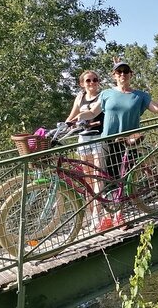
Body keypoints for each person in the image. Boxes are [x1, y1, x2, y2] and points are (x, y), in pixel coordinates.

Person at [76, 60, 158, 231]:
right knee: (105, 179)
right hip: (107, 141)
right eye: (118, 72)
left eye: (125, 71)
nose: (122, 74)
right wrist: (77, 118)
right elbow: (92, 112)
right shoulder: (106, 94)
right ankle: (106, 218)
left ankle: (119, 216)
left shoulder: (140, 95)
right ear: (114, 75)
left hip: (129, 142)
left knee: (123, 180)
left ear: (130, 74)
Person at [65, 70, 105, 229]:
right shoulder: (80, 97)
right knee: (87, 179)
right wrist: (63, 126)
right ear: (82, 83)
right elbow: (71, 116)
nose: (92, 83)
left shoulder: (102, 97)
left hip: (98, 138)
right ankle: (91, 213)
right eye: (88, 81)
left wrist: (78, 118)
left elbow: (92, 113)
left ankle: (97, 214)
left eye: (95, 80)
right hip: (83, 139)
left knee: (97, 177)